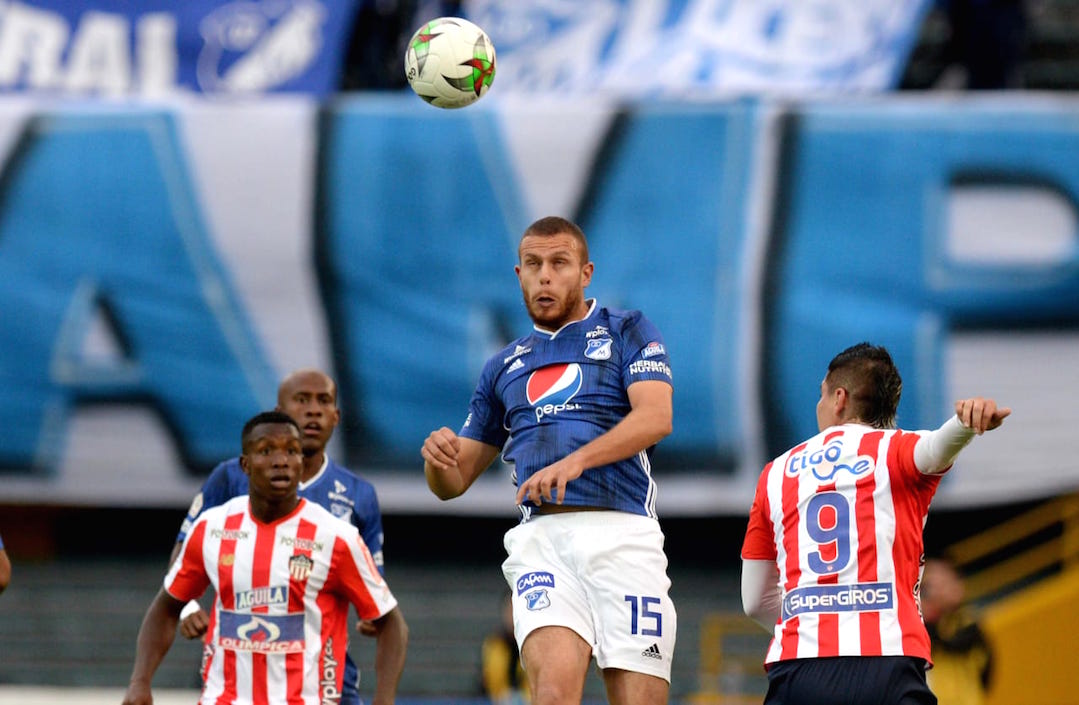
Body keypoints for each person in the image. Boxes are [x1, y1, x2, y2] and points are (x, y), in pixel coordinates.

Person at [422, 215, 677, 705]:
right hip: (542, 543)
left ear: (586, 273)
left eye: (559, 263)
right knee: (553, 695)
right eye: (534, 264)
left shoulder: (627, 330)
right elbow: (453, 481)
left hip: (622, 536)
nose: (545, 275)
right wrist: (437, 459)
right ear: (518, 275)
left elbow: (656, 418)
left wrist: (576, 461)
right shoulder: (503, 365)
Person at [740, 342, 1010, 705]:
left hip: (799, 669)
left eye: (820, 395)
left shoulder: (775, 473)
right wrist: (966, 424)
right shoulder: (895, 451)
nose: (818, 406)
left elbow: (754, 600)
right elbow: (935, 448)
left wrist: (817, 619)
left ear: (839, 398)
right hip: (887, 664)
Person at [122, 411, 408, 705]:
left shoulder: (336, 537)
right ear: (245, 465)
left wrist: (383, 702)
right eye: (266, 450)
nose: (281, 460)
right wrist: (139, 682)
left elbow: (391, 623)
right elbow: (166, 609)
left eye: (292, 451)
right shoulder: (212, 527)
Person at [170, 368, 386, 703]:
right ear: (278, 412)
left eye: (323, 401)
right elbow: (185, 551)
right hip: (241, 669)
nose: (313, 409)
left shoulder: (358, 494)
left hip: (325, 676)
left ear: (336, 416)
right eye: (302, 400)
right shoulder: (231, 477)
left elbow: (375, 586)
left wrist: (371, 617)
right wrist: (185, 606)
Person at [920, 557, 994, 705]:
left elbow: (959, 642)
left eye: (944, 583)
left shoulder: (966, 622)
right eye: (932, 587)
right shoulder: (921, 626)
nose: (938, 592)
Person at [480, 592, 530, 705]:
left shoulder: (533, 644)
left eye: (516, 609)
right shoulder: (493, 645)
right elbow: (484, 683)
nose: (512, 615)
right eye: (509, 610)